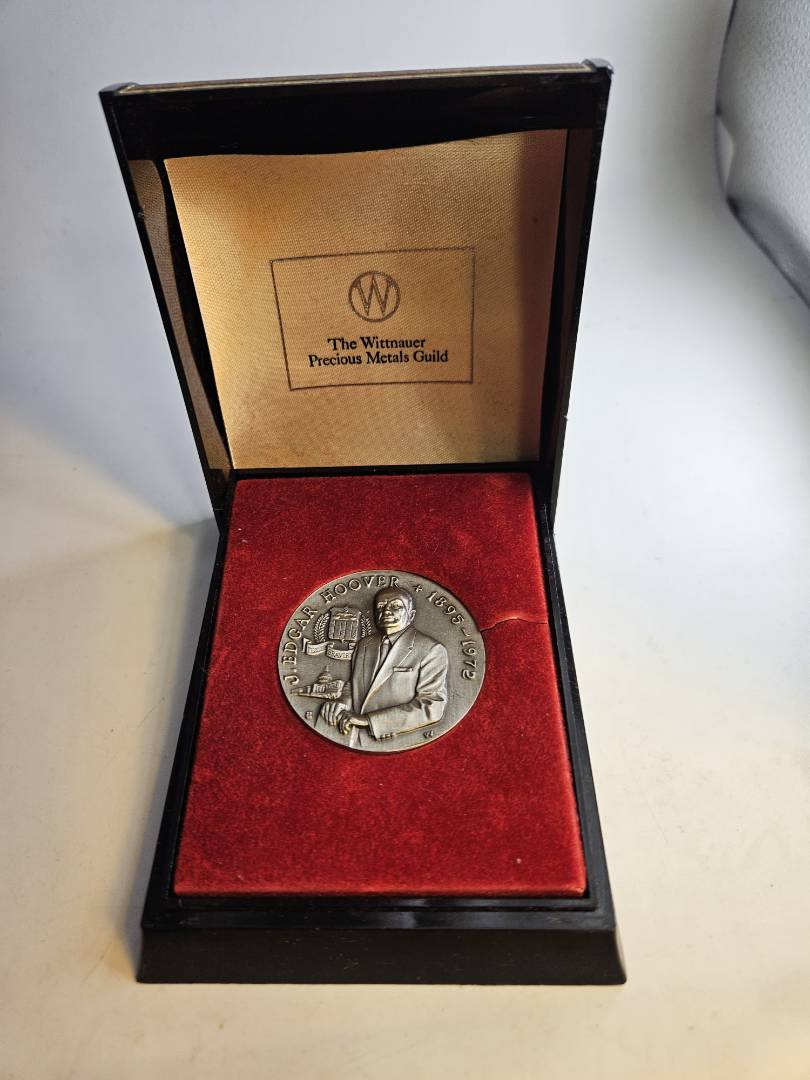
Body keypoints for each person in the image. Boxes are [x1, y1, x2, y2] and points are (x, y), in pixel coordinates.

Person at [320, 586, 448, 745]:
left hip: (397, 740)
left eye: (396, 606)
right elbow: (355, 684)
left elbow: (432, 706)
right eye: (381, 606)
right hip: (352, 737)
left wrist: (368, 721)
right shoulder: (364, 645)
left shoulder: (431, 649)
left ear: (411, 615)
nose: (386, 611)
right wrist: (343, 701)